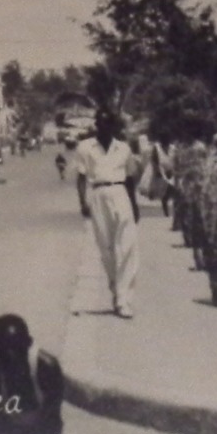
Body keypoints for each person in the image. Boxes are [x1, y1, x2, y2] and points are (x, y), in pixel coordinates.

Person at [72, 107, 144, 319]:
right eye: (100, 124)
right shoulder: (85, 148)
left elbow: (130, 178)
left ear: (114, 127)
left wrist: (134, 204)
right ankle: (116, 289)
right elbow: (81, 177)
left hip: (120, 192)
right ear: (97, 125)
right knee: (107, 249)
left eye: (108, 124)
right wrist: (83, 202)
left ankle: (124, 300)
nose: (104, 128)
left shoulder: (123, 149)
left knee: (128, 246)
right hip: (98, 194)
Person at [0, 314, 64, 434]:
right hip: (4, 431)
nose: (11, 354)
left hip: (39, 431)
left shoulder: (47, 367)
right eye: (5, 348)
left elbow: (53, 421)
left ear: (28, 343)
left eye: (17, 347)